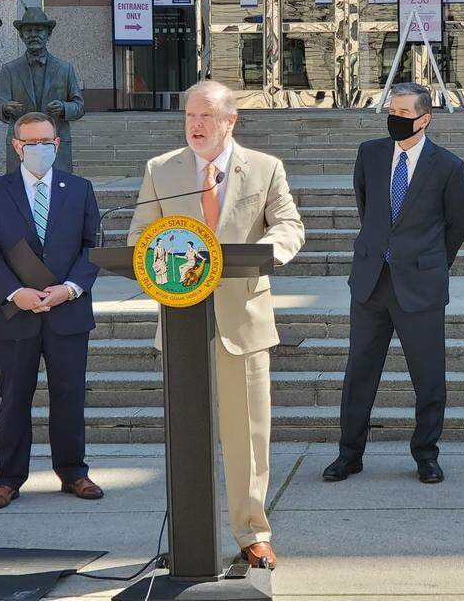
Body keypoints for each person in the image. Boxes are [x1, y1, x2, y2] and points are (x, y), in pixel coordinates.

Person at [127, 80, 304, 570]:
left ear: (230, 121)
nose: (196, 125)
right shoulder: (161, 170)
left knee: (247, 436)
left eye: (206, 116)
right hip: (183, 321)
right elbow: (141, 235)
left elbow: (289, 224)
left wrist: (266, 253)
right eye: (189, 116)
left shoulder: (265, 169)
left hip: (241, 322)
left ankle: (253, 534)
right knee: (187, 433)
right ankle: (189, 536)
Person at [324, 82, 464, 486]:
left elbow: (459, 223)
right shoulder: (370, 154)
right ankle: (349, 455)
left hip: (420, 287)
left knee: (428, 376)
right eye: (391, 111)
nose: (394, 119)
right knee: (359, 373)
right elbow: (365, 203)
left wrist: (431, 263)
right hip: (371, 283)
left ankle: (426, 455)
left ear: (424, 119)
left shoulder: (447, 166)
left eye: (403, 114)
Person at [0, 112, 102, 510]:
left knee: (69, 395)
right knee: (13, 398)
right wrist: (14, 292)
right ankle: (7, 479)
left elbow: (92, 246)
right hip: (16, 314)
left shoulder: (80, 189)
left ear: (57, 144)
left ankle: (74, 472)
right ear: (16, 146)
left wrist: (71, 288)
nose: (39, 149)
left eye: (47, 142)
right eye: (31, 143)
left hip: (68, 312)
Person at [0, 7, 85, 172]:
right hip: (22, 144)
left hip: (55, 143)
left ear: (48, 34)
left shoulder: (65, 69)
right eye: (28, 30)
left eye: (38, 30)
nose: (33, 34)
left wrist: (64, 108)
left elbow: (79, 106)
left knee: (59, 193)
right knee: (19, 194)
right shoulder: (9, 69)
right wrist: (6, 108)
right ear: (21, 36)